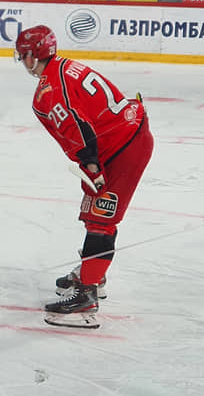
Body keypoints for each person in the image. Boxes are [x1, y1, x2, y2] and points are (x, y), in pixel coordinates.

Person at [14, 25, 153, 329]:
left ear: (34, 54)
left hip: (122, 147)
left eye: (23, 54)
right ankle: (93, 273)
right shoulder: (65, 67)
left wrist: (92, 168)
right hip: (123, 136)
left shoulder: (49, 90)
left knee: (101, 219)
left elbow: (78, 129)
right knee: (94, 212)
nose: (21, 60)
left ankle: (86, 297)